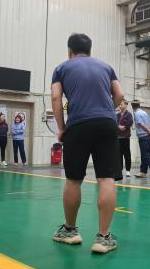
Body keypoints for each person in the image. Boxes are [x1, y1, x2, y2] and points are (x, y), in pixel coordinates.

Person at [51, 33, 124, 254]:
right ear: (90, 50)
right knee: (106, 178)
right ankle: (104, 238)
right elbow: (120, 94)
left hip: (78, 125)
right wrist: (107, 110)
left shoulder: (62, 68)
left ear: (69, 50)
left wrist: (62, 128)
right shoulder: (106, 67)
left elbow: (56, 98)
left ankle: (70, 231)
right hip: (107, 124)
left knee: (74, 180)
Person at [132, 100, 150, 179]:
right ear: (139, 105)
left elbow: (141, 124)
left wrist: (149, 131)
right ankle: (143, 171)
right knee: (144, 155)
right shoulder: (144, 113)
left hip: (143, 136)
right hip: (148, 137)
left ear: (132, 106)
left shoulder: (136, 114)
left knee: (145, 155)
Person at [116, 100, 133, 177]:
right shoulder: (117, 115)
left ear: (126, 105)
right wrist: (118, 126)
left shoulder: (129, 114)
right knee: (119, 154)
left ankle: (128, 170)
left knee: (127, 154)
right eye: (119, 104)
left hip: (125, 137)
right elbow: (114, 122)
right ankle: (119, 170)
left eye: (121, 104)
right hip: (118, 137)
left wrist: (124, 127)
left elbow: (130, 122)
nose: (120, 106)